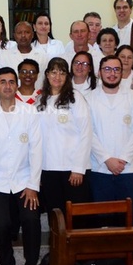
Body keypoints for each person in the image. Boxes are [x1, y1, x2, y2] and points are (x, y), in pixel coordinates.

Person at [0, 67, 43, 265]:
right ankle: (7, 264)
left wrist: (33, 185)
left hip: (24, 180)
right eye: (3, 82)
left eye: (11, 82)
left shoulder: (29, 112)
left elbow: (36, 150)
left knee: (31, 221)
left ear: (17, 85)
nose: (7, 86)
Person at [86, 56, 133, 224]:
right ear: (99, 73)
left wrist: (123, 159)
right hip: (100, 169)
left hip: (128, 169)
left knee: (128, 220)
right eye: (107, 69)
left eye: (116, 69)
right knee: (103, 220)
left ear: (121, 72)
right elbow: (88, 133)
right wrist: (106, 159)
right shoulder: (89, 98)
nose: (112, 73)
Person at [36, 58, 92, 218]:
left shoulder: (75, 98)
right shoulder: (40, 100)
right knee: (56, 216)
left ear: (67, 76)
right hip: (48, 169)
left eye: (62, 73)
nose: (57, 77)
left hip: (72, 170)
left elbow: (86, 133)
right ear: (47, 74)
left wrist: (78, 168)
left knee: (77, 218)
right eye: (54, 72)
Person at [0, 21, 47, 88]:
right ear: (14, 35)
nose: (23, 35)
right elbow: (0, 79)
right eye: (19, 33)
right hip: (12, 94)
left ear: (33, 35)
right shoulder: (5, 56)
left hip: (37, 93)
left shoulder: (42, 56)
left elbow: (45, 80)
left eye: (27, 32)